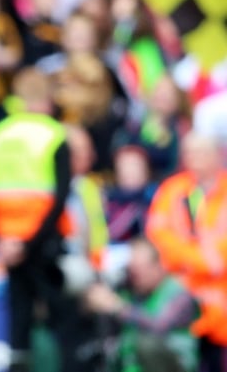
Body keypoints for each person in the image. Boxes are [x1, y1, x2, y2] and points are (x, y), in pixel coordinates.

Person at [0, 70, 99, 372]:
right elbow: (61, 196)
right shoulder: (54, 135)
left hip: (8, 246)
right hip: (44, 244)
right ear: (46, 100)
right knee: (64, 319)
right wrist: (29, 242)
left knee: (19, 324)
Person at [145, 133, 227, 372]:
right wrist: (199, 259)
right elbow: (159, 235)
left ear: (218, 154)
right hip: (181, 293)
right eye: (189, 152)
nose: (194, 158)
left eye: (201, 151)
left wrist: (205, 260)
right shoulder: (173, 189)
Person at [85, 238, 199, 372]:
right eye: (131, 271)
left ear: (157, 266)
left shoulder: (178, 293)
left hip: (173, 365)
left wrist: (117, 307)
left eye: (139, 271)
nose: (134, 277)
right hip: (136, 365)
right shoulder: (130, 291)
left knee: (146, 343)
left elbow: (158, 326)